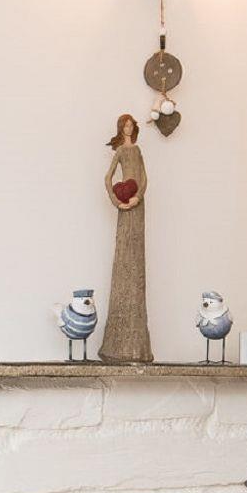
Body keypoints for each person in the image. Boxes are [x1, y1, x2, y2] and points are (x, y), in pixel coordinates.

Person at [99, 113, 152, 364]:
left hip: (137, 205)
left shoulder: (137, 150)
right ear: (121, 128)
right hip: (125, 205)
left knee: (136, 259)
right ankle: (118, 342)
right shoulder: (120, 151)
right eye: (125, 125)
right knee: (124, 256)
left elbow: (144, 178)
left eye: (131, 125)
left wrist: (137, 197)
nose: (129, 128)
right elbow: (107, 178)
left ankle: (137, 346)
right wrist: (117, 201)